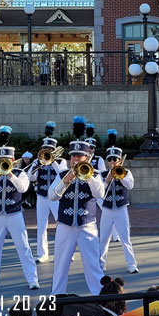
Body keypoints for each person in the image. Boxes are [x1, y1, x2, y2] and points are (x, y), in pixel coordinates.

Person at [49, 117, 105, 295]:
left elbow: (100, 193)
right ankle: (56, 300)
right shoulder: (63, 174)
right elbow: (52, 195)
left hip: (87, 226)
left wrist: (88, 176)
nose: (75, 159)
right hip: (65, 226)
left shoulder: (94, 174)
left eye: (79, 156)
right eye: (73, 156)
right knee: (60, 266)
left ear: (87, 158)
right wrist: (65, 181)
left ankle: (100, 299)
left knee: (93, 266)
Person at [0, 126, 39, 291]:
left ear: (13, 159)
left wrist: (10, 174)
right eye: (1, 159)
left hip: (14, 214)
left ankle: (33, 279)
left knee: (23, 246)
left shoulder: (20, 172)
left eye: (7, 159)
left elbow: (23, 188)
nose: (4, 162)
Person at [28, 121, 68, 263]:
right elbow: (30, 178)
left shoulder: (61, 161)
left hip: (56, 197)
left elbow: (63, 174)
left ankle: (65, 252)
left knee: (63, 225)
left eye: (50, 149)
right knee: (41, 226)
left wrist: (53, 161)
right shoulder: (37, 161)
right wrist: (36, 165)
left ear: (54, 150)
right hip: (42, 196)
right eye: (45, 149)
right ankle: (42, 254)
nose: (47, 152)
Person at [99, 129, 138, 274]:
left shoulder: (126, 173)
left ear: (120, 160)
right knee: (103, 239)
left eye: (115, 159)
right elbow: (99, 193)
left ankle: (132, 264)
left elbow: (130, 186)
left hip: (121, 209)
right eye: (110, 160)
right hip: (107, 210)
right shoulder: (102, 174)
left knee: (125, 238)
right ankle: (100, 265)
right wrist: (107, 180)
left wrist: (120, 176)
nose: (112, 162)